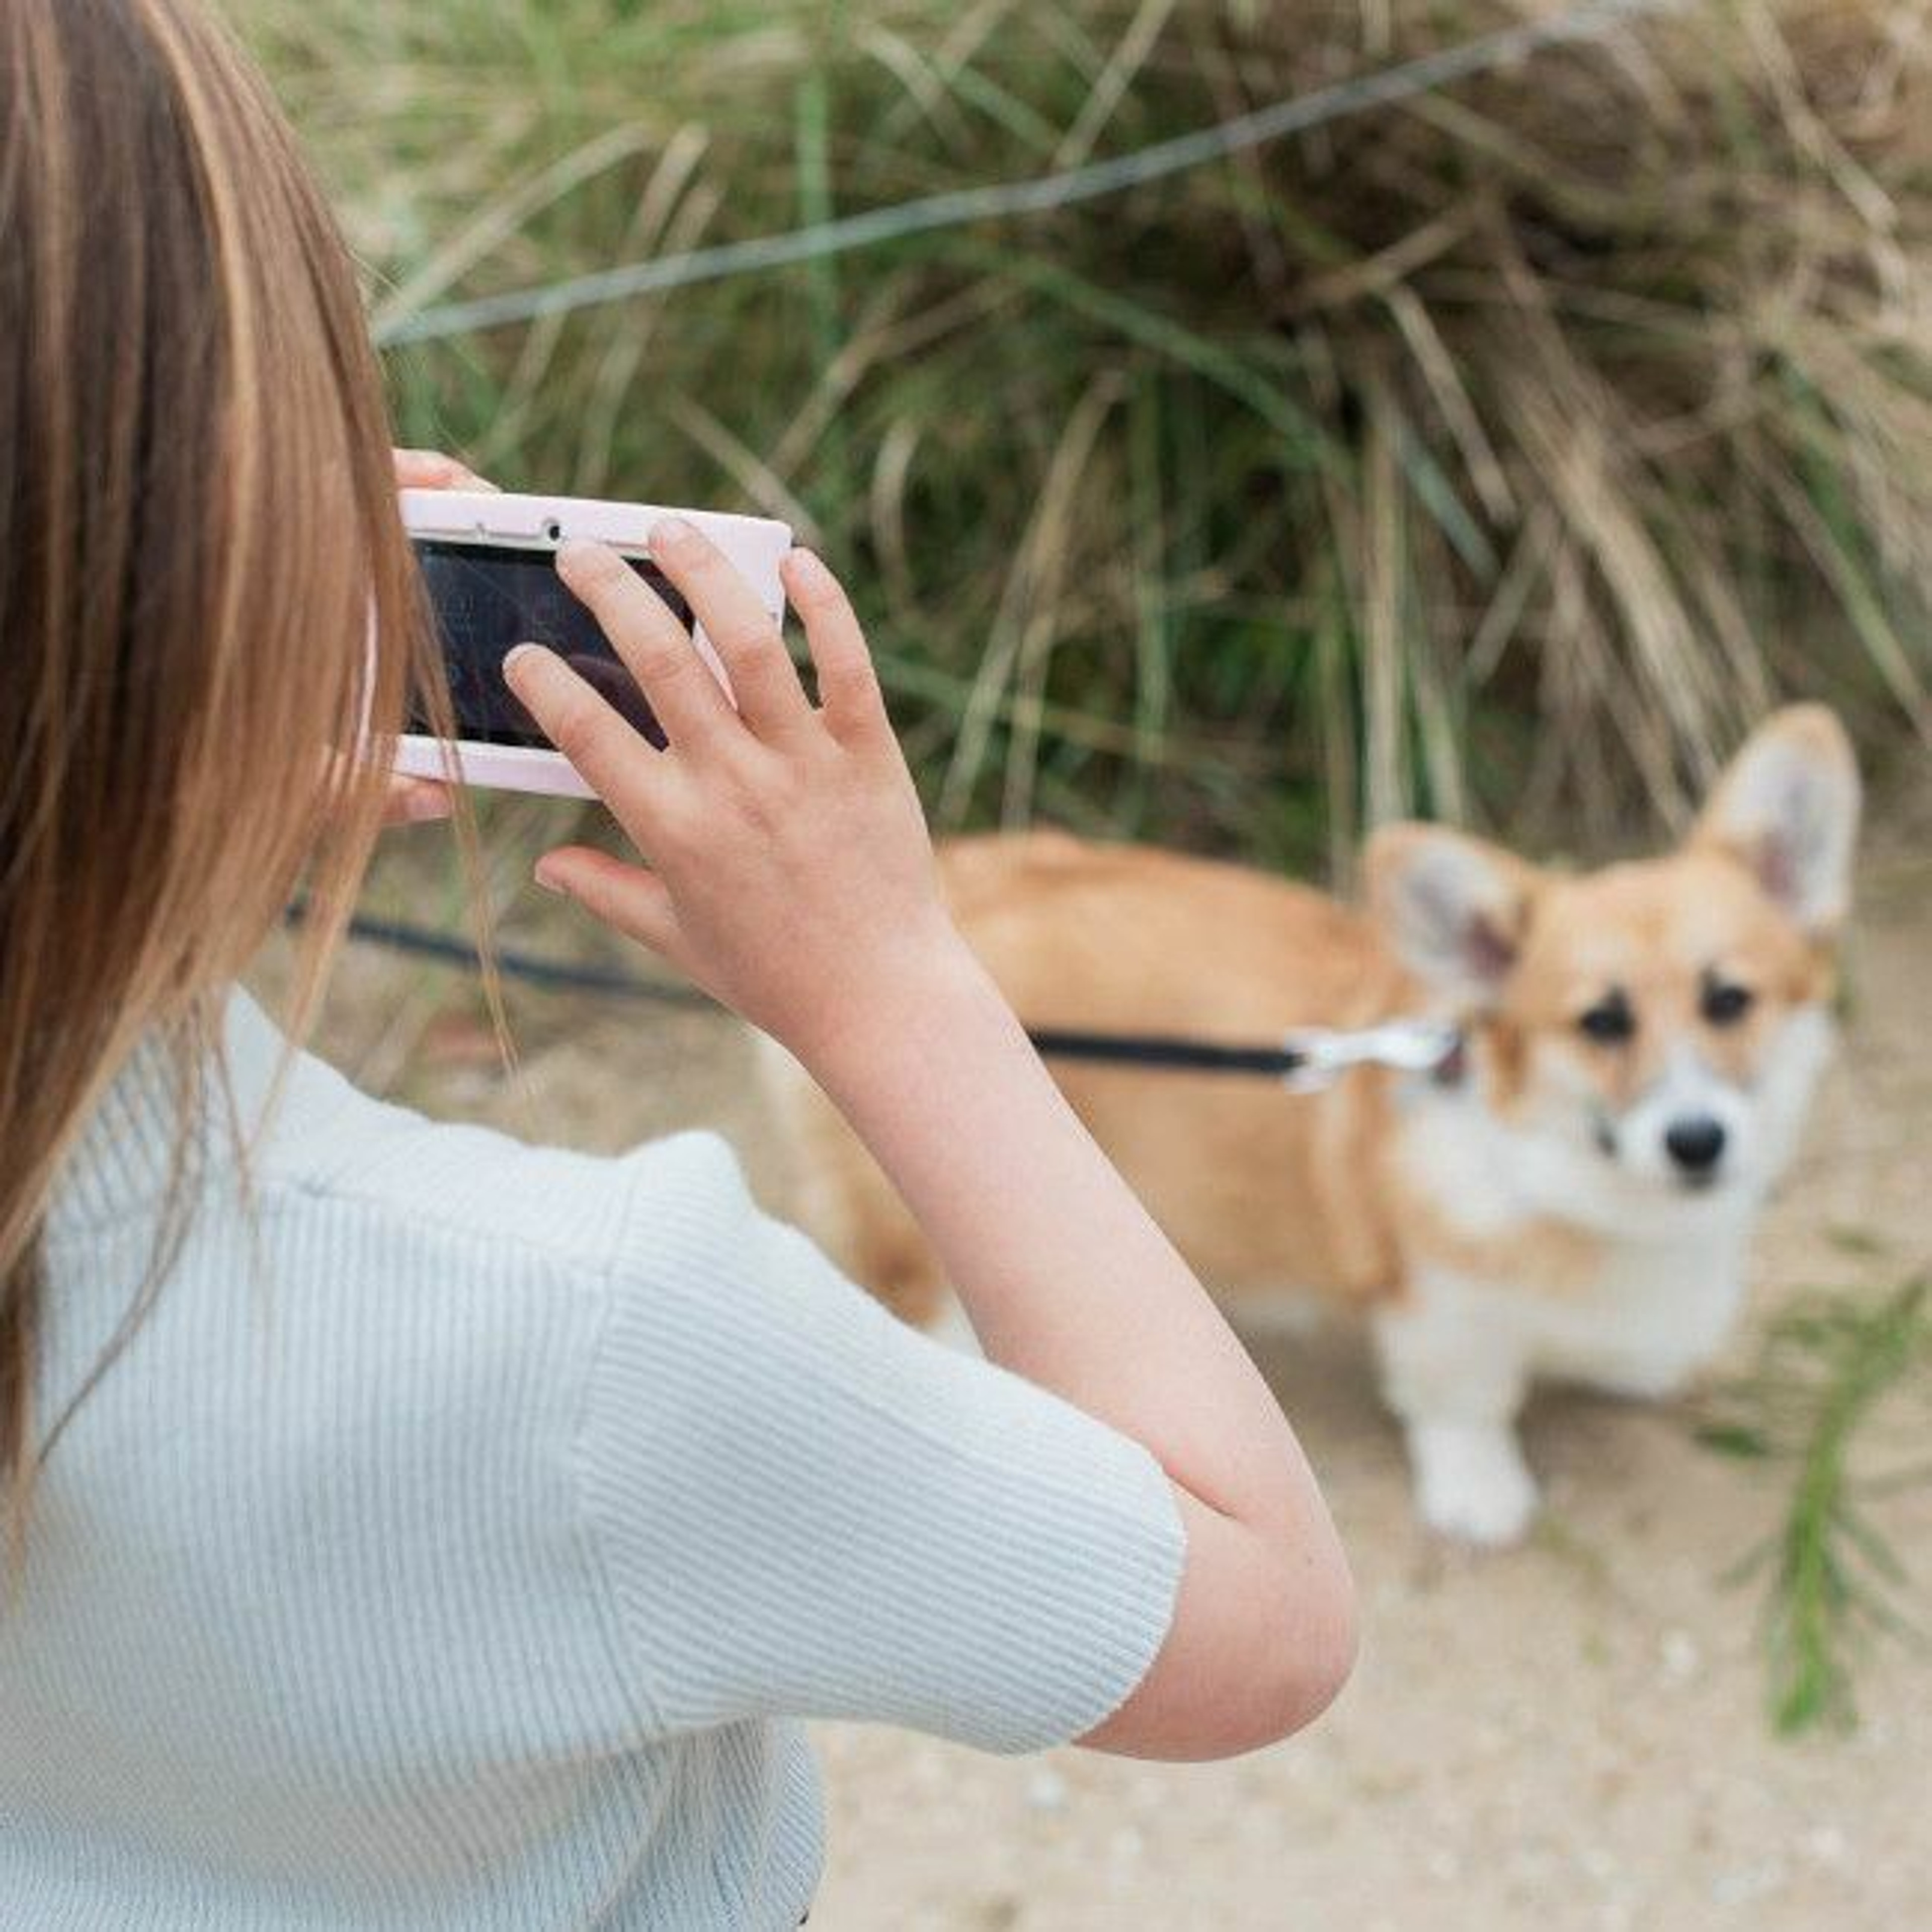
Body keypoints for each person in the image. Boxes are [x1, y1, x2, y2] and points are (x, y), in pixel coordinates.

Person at [0, 2, 1355, 1925]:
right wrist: (893, 989)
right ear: (225, 566)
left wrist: (171, 803)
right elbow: (1264, 1620)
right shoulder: (584, 1336)